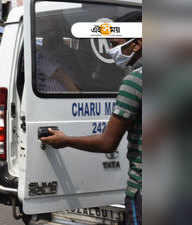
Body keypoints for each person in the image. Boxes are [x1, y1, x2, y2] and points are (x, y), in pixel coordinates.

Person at [40, 11, 142, 225]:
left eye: (117, 44)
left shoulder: (134, 82)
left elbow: (108, 142)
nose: (113, 51)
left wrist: (66, 140)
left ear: (137, 44)